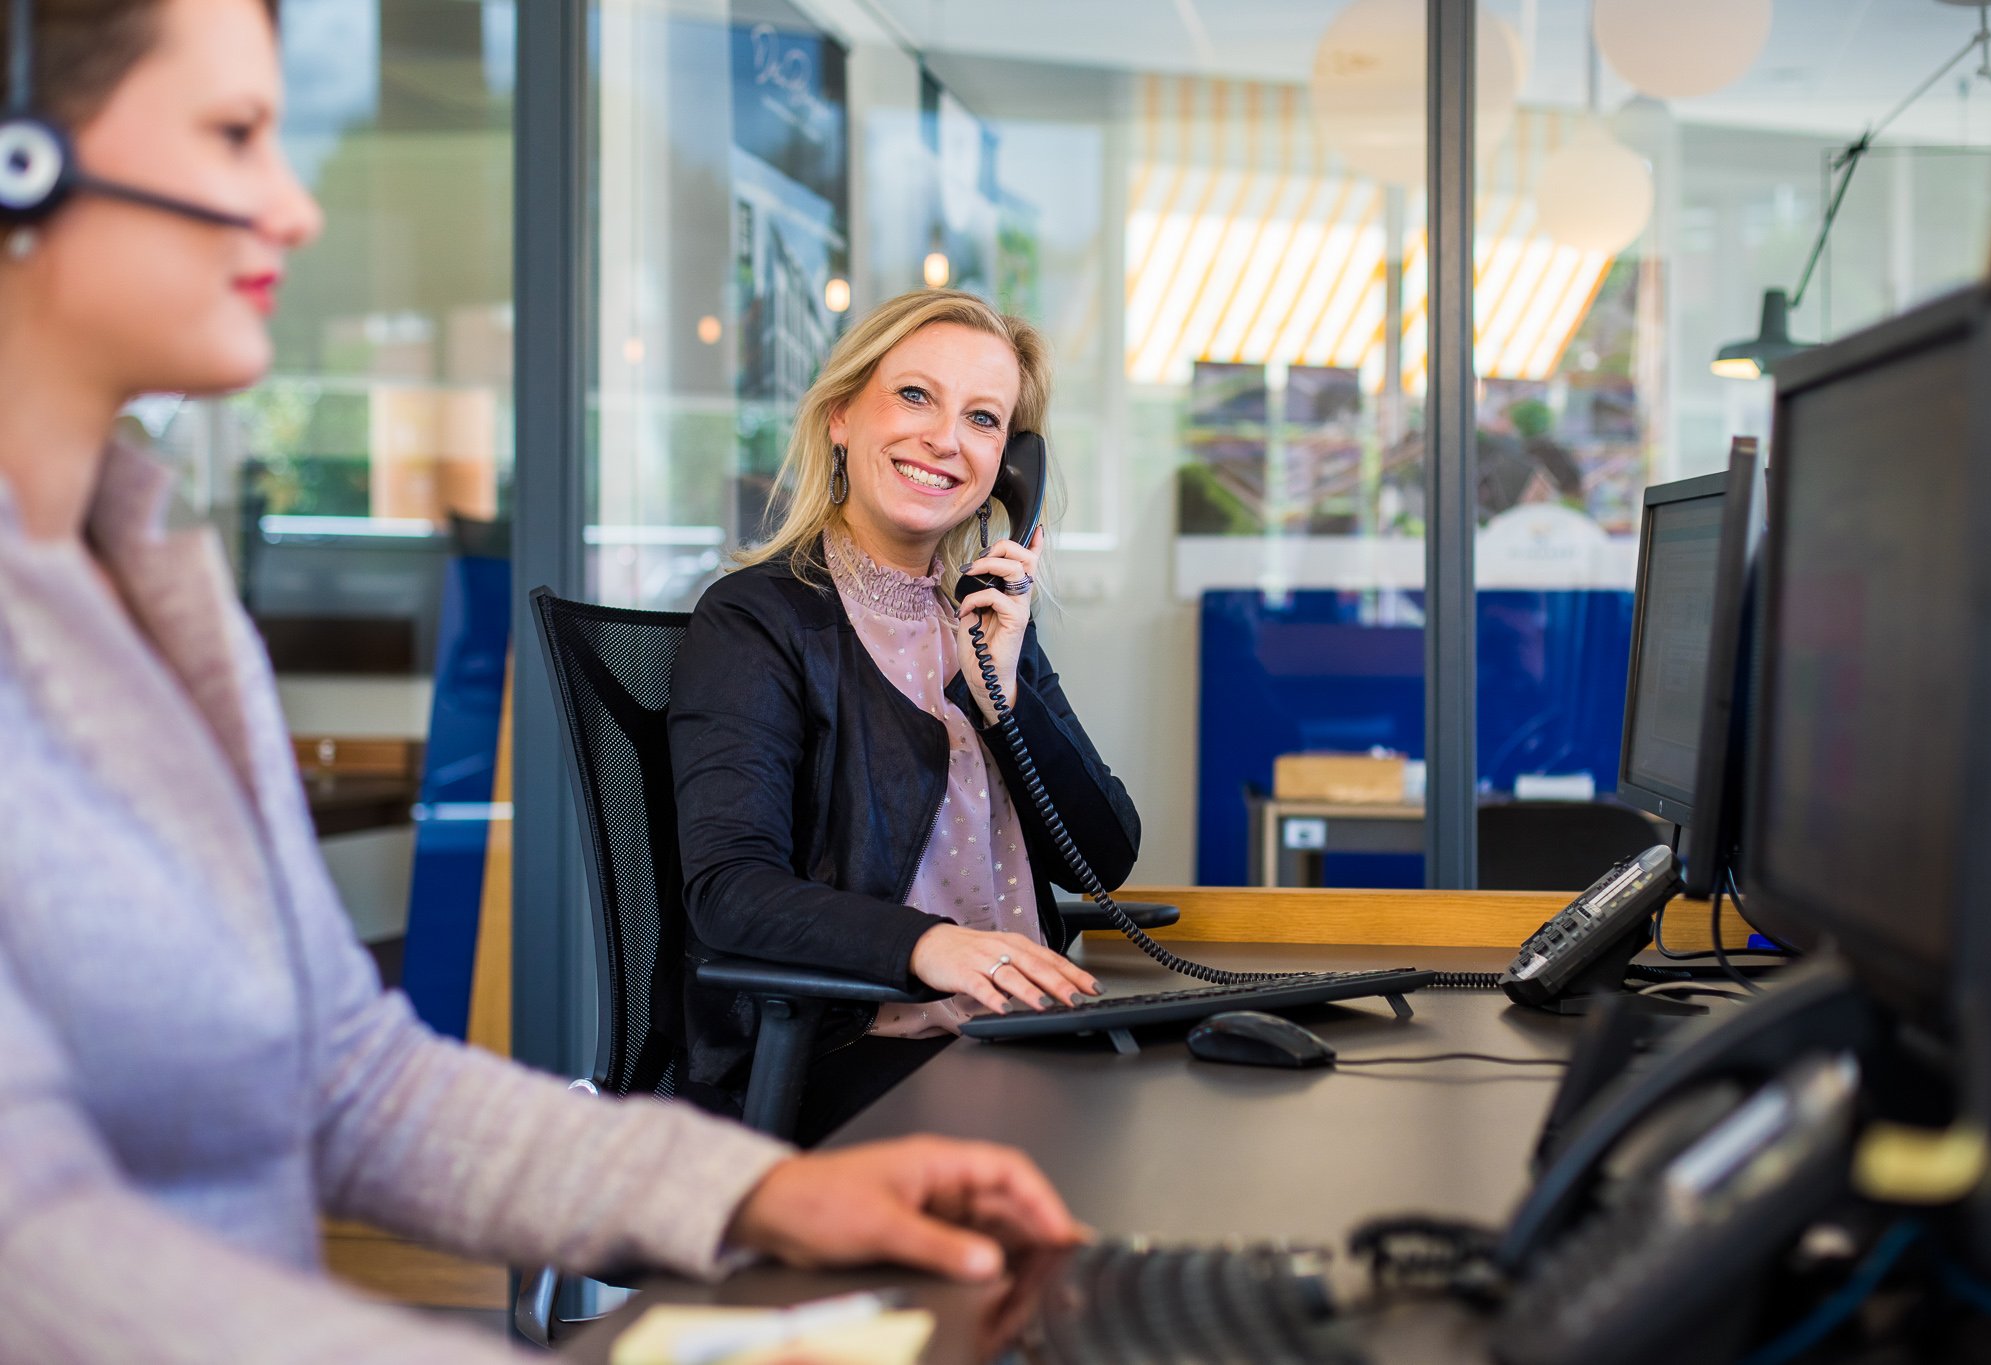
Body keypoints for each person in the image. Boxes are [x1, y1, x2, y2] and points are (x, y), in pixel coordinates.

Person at [0, 2, 1082, 1360]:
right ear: (18, 161)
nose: (294, 207)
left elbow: (351, 1077)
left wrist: (768, 1192)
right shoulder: (765, 617)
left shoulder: (153, 580)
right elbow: (31, 1246)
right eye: (233, 135)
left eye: (985, 418)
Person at [669, 289, 1142, 1142]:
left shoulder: (986, 617)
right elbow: (729, 889)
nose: (946, 440)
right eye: (916, 396)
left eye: (984, 419)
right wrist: (933, 945)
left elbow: (1104, 855)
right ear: (842, 415)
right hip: (847, 1058)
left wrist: (1005, 696)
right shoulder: (757, 620)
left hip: (1014, 1045)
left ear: (1010, 463)